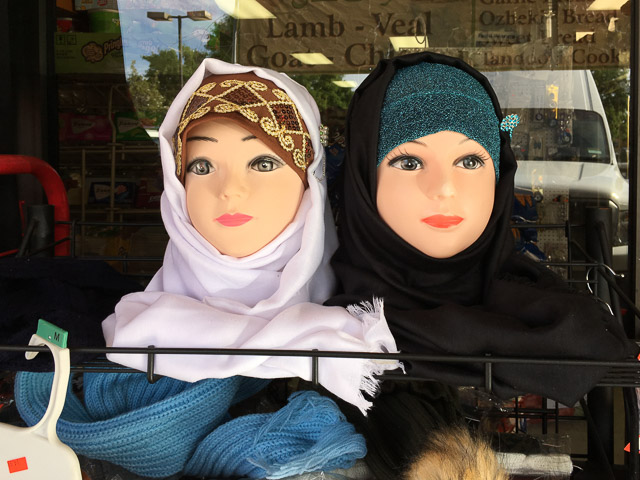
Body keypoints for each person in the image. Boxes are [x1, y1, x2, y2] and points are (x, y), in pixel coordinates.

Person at [324, 51, 636, 478]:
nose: (444, 188)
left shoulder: (556, 322)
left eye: (470, 161)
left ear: (499, 174)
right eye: (409, 161)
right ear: (364, 177)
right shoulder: (312, 331)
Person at [101, 61, 399, 413]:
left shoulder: (358, 323)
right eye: (202, 166)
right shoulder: (134, 336)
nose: (230, 189)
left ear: (309, 183)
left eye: (263, 163)